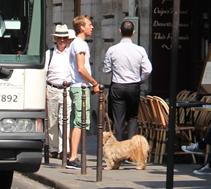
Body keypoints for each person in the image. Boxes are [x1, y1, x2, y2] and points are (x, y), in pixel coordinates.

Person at [103, 19, 152, 141]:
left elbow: (106, 69)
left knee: (119, 120)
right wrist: (140, 80)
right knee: (132, 118)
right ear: (133, 32)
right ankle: (131, 149)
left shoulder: (112, 50)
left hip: (118, 86)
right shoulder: (140, 50)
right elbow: (148, 69)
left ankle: (120, 149)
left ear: (120, 32)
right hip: (133, 86)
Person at [66, 15, 101, 170]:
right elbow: (81, 68)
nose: (92, 27)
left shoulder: (75, 43)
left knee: (76, 122)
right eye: (89, 24)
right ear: (81, 27)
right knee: (80, 122)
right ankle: (73, 157)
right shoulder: (80, 44)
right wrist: (94, 83)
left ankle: (72, 155)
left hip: (76, 86)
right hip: (80, 86)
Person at [45, 24, 73, 159]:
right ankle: (53, 147)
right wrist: (45, 90)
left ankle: (64, 149)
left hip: (66, 89)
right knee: (52, 121)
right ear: (55, 38)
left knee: (65, 120)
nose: (62, 40)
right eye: (60, 38)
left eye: (65, 38)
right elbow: (44, 73)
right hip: (52, 88)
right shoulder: (49, 53)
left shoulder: (71, 54)